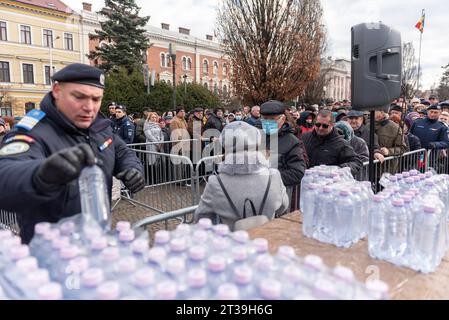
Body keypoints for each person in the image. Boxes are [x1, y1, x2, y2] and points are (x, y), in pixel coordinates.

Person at [0, 63, 144, 243]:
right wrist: (40, 176)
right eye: (79, 97)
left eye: (96, 99)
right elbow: (5, 175)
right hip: (50, 251)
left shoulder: (100, 127)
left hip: (96, 241)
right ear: (57, 91)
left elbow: (122, 152)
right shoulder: (32, 132)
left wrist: (133, 169)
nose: (89, 107)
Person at [194, 121, 289, 230]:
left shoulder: (216, 182)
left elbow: (201, 217)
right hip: (266, 240)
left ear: (225, 145)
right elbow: (283, 206)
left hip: (233, 243)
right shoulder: (274, 176)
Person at [259, 100, 306, 191]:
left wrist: (267, 178)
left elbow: (297, 172)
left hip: (278, 194)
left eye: (272, 119)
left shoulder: (292, 142)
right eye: (265, 118)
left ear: (283, 119)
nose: (267, 122)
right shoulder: (256, 137)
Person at [302, 110, 362, 176]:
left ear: (332, 125)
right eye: (318, 125)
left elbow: (356, 162)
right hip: (307, 181)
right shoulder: (305, 137)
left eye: (325, 126)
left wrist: (337, 169)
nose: (320, 128)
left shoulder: (341, 143)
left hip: (329, 183)